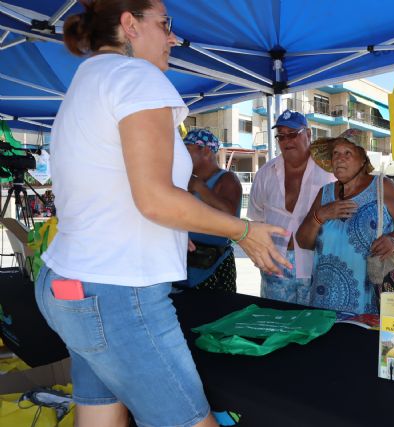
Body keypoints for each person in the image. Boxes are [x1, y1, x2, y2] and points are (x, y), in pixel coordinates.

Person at [34, 2, 288, 427]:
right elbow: (153, 198)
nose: (174, 37)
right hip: (118, 291)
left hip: (70, 283)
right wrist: (244, 230)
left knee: (99, 417)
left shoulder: (88, 78)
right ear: (130, 25)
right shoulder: (136, 77)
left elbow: (107, 186)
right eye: (165, 25)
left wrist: (169, 232)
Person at [296, 129, 394, 314]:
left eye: (348, 153)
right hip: (325, 301)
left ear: (363, 159)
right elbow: (303, 241)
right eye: (335, 154)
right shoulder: (324, 193)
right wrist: (320, 215)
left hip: (372, 300)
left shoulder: (382, 187)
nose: (339, 159)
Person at [248, 109, 335, 305]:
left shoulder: (329, 172)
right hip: (275, 266)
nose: (287, 141)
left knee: (314, 326)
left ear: (309, 134)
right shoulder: (265, 173)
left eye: (293, 134)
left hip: (317, 263)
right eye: (281, 136)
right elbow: (256, 219)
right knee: (276, 322)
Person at [178, 128, 242, 292]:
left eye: (186, 150)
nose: (181, 156)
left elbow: (230, 216)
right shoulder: (184, 179)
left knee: (217, 314)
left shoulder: (227, 179)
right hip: (185, 262)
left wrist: (200, 187)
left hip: (214, 263)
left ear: (205, 151)